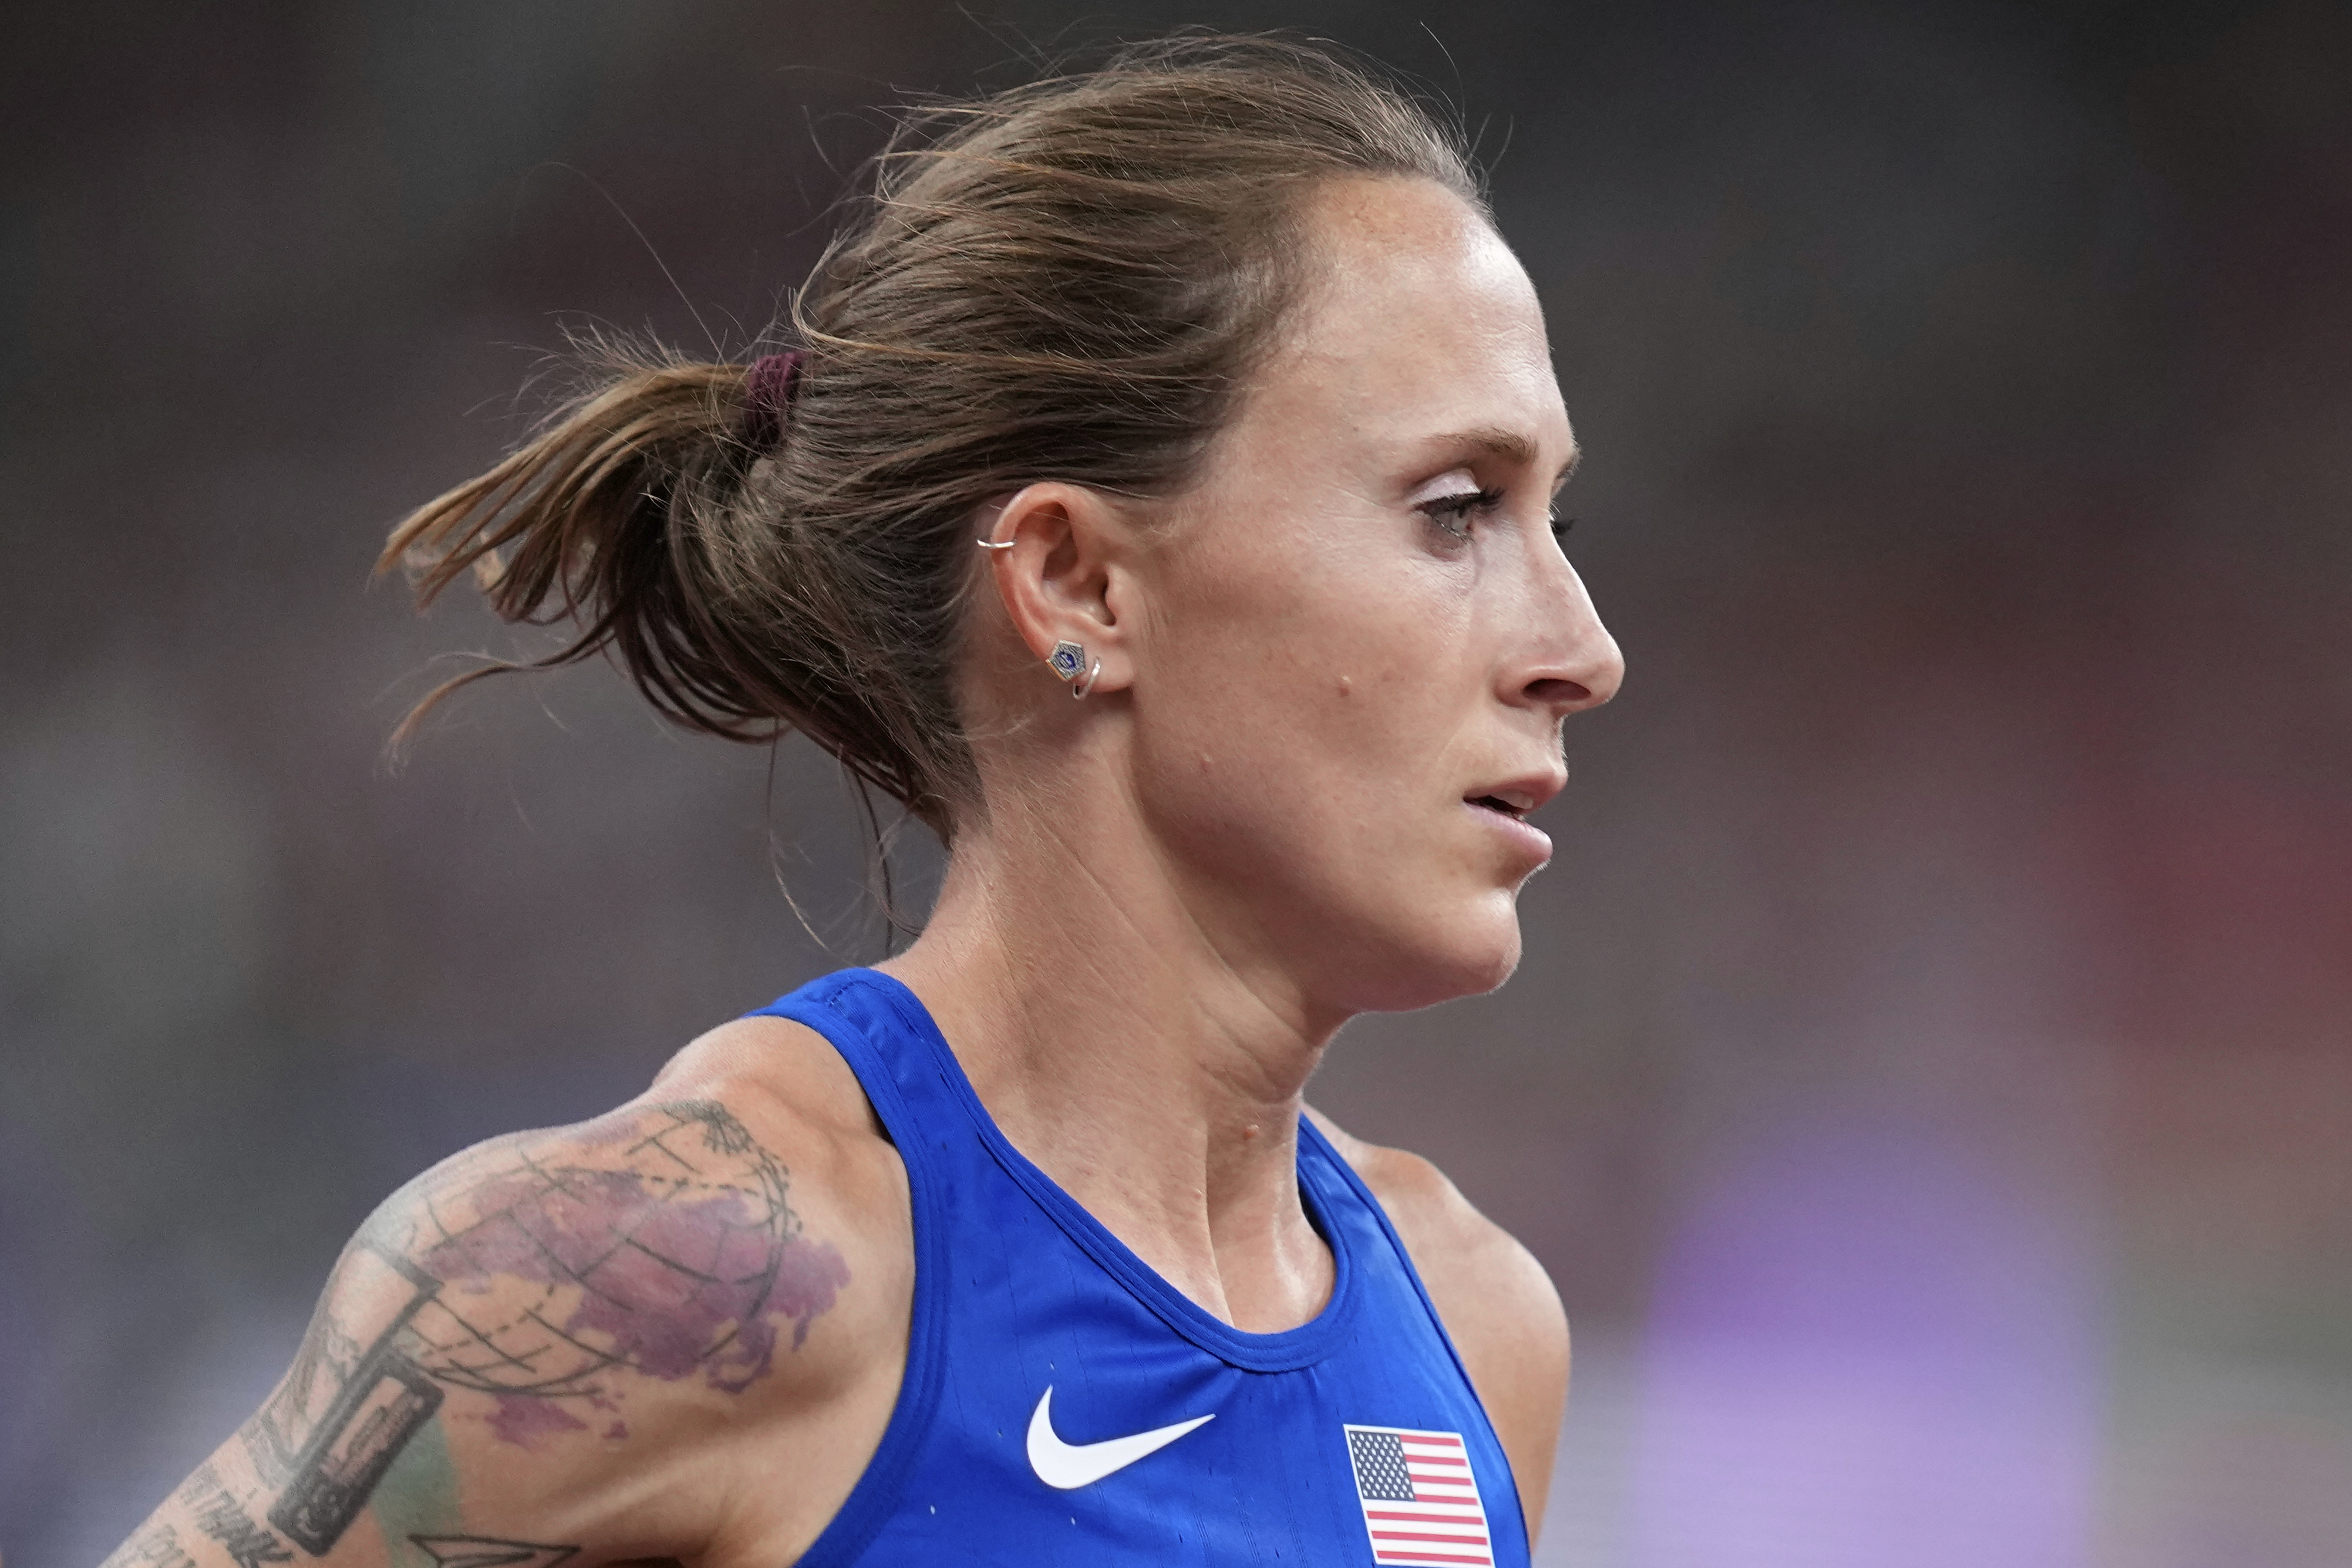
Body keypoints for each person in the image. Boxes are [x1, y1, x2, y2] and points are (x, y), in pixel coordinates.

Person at [106, 33, 1622, 1568]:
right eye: (1455, 512)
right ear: (1076, 581)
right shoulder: (660, 1291)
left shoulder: (1473, 1333)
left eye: (1549, 517)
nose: (1586, 651)